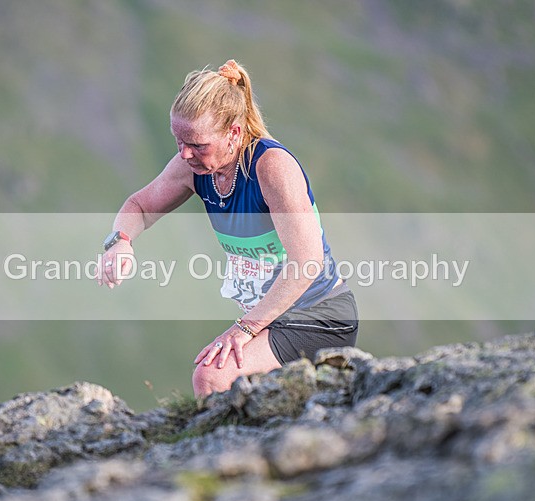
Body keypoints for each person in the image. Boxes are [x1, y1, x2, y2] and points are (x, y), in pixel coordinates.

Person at [96, 60, 358, 398]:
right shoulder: (193, 167)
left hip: (319, 315)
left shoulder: (273, 167)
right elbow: (139, 206)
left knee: (211, 378)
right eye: (178, 141)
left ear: (233, 132)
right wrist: (121, 241)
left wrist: (244, 328)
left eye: (197, 144)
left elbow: (307, 262)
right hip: (271, 318)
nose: (185, 153)